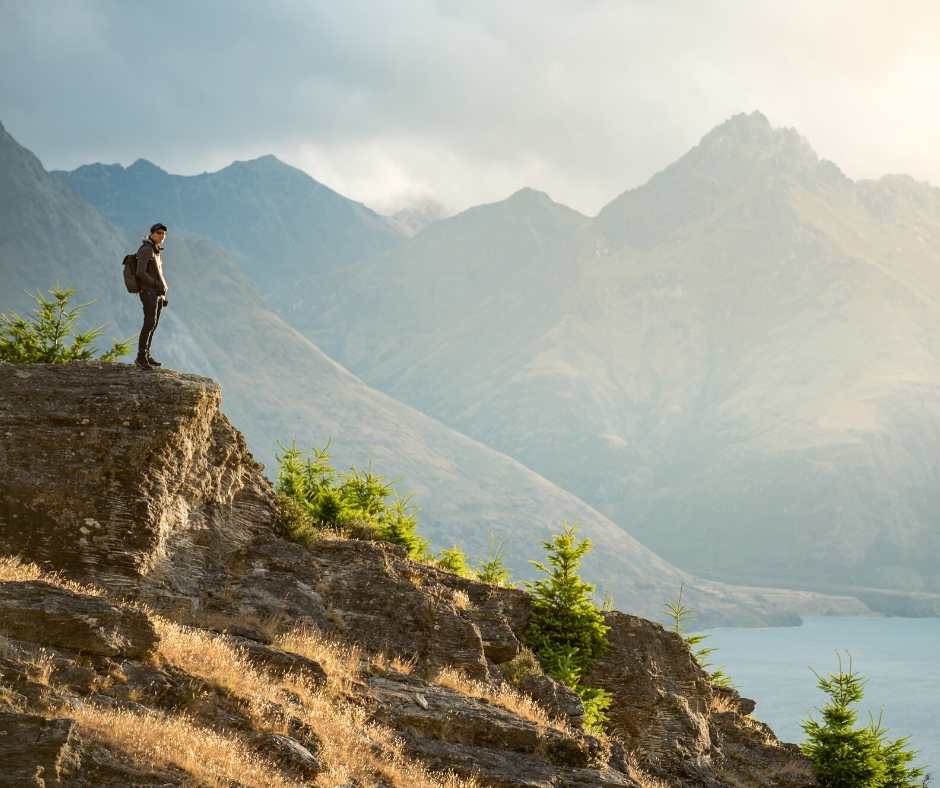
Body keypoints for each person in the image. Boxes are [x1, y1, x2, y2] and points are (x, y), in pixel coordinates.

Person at [134, 223, 169, 370]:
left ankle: (146, 355)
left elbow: (158, 274)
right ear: (152, 233)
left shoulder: (156, 250)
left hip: (156, 294)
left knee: (152, 324)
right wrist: (155, 285)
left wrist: (162, 294)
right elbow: (140, 272)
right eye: (159, 233)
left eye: (164, 234)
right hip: (148, 292)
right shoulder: (146, 250)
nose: (162, 236)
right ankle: (141, 357)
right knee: (149, 323)